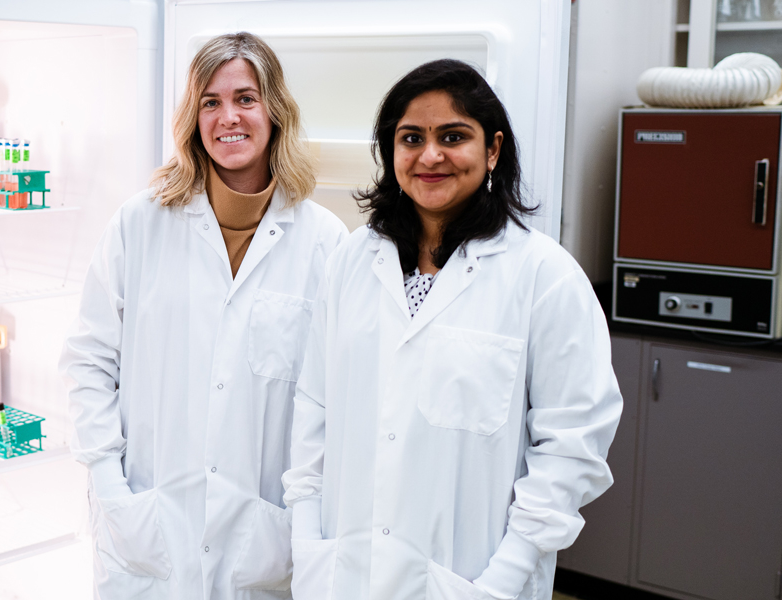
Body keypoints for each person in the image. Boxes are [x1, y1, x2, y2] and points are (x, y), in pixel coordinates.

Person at [282, 59, 622, 600]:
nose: (430, 155)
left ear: (492, 150)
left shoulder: (544, 276)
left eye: (453, 136)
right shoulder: (352, 260)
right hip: (342, 574)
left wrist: (502, 581)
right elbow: (314, 410)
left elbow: (571, 451)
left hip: (474, 580)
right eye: (411, 137)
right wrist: (306, 544)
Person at [61, 32, 348, 599]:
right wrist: (108, 483)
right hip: (147, 520)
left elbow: (330, 402)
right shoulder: (138, 224)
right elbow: (89, 361)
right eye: (210, 102)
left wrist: (309, 519)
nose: (228, 117)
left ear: (275, 110)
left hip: (262, 536)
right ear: (194, 117)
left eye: (245, 98)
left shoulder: (324, 243)